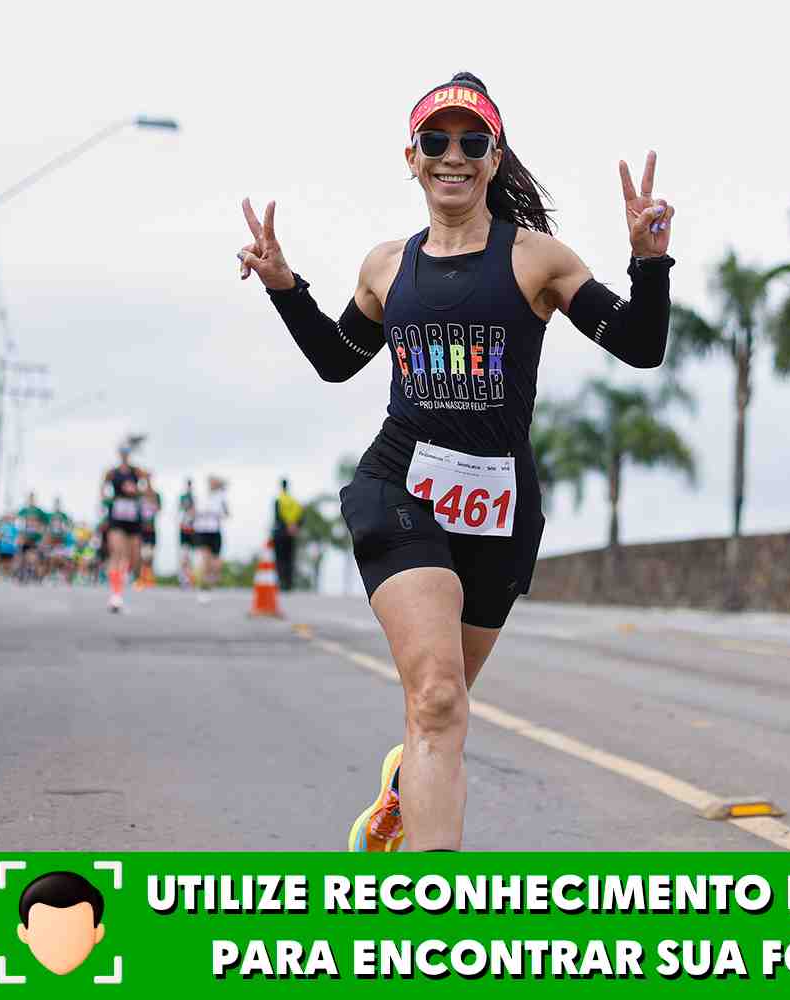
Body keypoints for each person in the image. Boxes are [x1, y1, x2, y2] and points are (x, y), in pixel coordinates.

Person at [240, 71, 674, 851]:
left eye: (472, 142)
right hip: (399, 487)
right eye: (435, 140)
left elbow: (641, 346)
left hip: (500, 509)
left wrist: (649, 263)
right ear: (411, 157)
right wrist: (285, 288)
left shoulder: (537, 260)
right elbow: (339, 360)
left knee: (440, 708)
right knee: (438, 699)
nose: (453, 155)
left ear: (494, 158)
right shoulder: (386, 266)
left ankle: (404, 790)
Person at [102, 440, 145, 612]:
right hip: (117, 516)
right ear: (119, 454)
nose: (125, 455)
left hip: (133, 517)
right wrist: (108, 501)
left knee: (133, 556)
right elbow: (102, 490)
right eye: (122, 452)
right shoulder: (111, 473)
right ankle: (116, 594)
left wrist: (136, 491)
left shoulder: (137, 471)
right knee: (117, 552)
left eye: (127, 452)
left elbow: (148, 491)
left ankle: (127, 576)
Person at [193, 476, 228, 603]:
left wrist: (217, 513)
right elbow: (193, 512)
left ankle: (210, 582)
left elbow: (226, 513)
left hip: (215, 531)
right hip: (202, 531)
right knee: (205, 560)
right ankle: (203, 588)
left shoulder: (221, 497)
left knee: (216, 564)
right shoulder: (201, 497)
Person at [272, 478, 303, 592]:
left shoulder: (279, 500)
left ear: (281, 486)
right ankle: (289, 584)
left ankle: (281, 582)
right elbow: (301, 516)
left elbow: (277, 517)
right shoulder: (294, 501)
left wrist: (285, 526)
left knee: (280, 558)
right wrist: (295, 527)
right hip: (291, 534)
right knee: (289, 558)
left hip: (280, 533)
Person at [16, 492, 49, 584]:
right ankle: (22, 574)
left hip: (37, 539)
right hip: (26, 539)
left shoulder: (40, 511)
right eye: (30, 498)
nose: (31, 500)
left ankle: (37, 575)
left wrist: (43, 536)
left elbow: (46, 525)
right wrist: (20, 537)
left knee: (37, 557)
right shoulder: (23, 511)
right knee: (22, 556)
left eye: (33, 499)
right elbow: (18, 525)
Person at [137, 473, 162, 589]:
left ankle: (149, 578)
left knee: (150, 555)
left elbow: (158, 509)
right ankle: (141, 578)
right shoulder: (139, 495)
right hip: (140, 529)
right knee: (142, 555)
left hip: (151, 529)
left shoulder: (156, 495)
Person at [178, 478, 197, 588]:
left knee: (191, 556)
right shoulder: (183, 498)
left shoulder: (195, 498)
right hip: (184, 530)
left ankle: (190, 577)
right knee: (184, 554)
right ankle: (184, 578)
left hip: (193, 530)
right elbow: (180, 511)